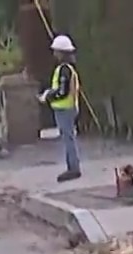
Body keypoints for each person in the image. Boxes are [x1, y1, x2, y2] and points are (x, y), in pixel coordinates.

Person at [41, 35, 82, 182]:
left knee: (68, 139)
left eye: (56, 51)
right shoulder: (67, 68)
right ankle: (72, 166)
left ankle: (73, 168)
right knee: (68, 138)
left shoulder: (64, 69)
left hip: (65, 109)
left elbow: (62, 91)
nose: (54, 54)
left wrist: (48, 96)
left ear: (61, 52)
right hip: (67, 108)